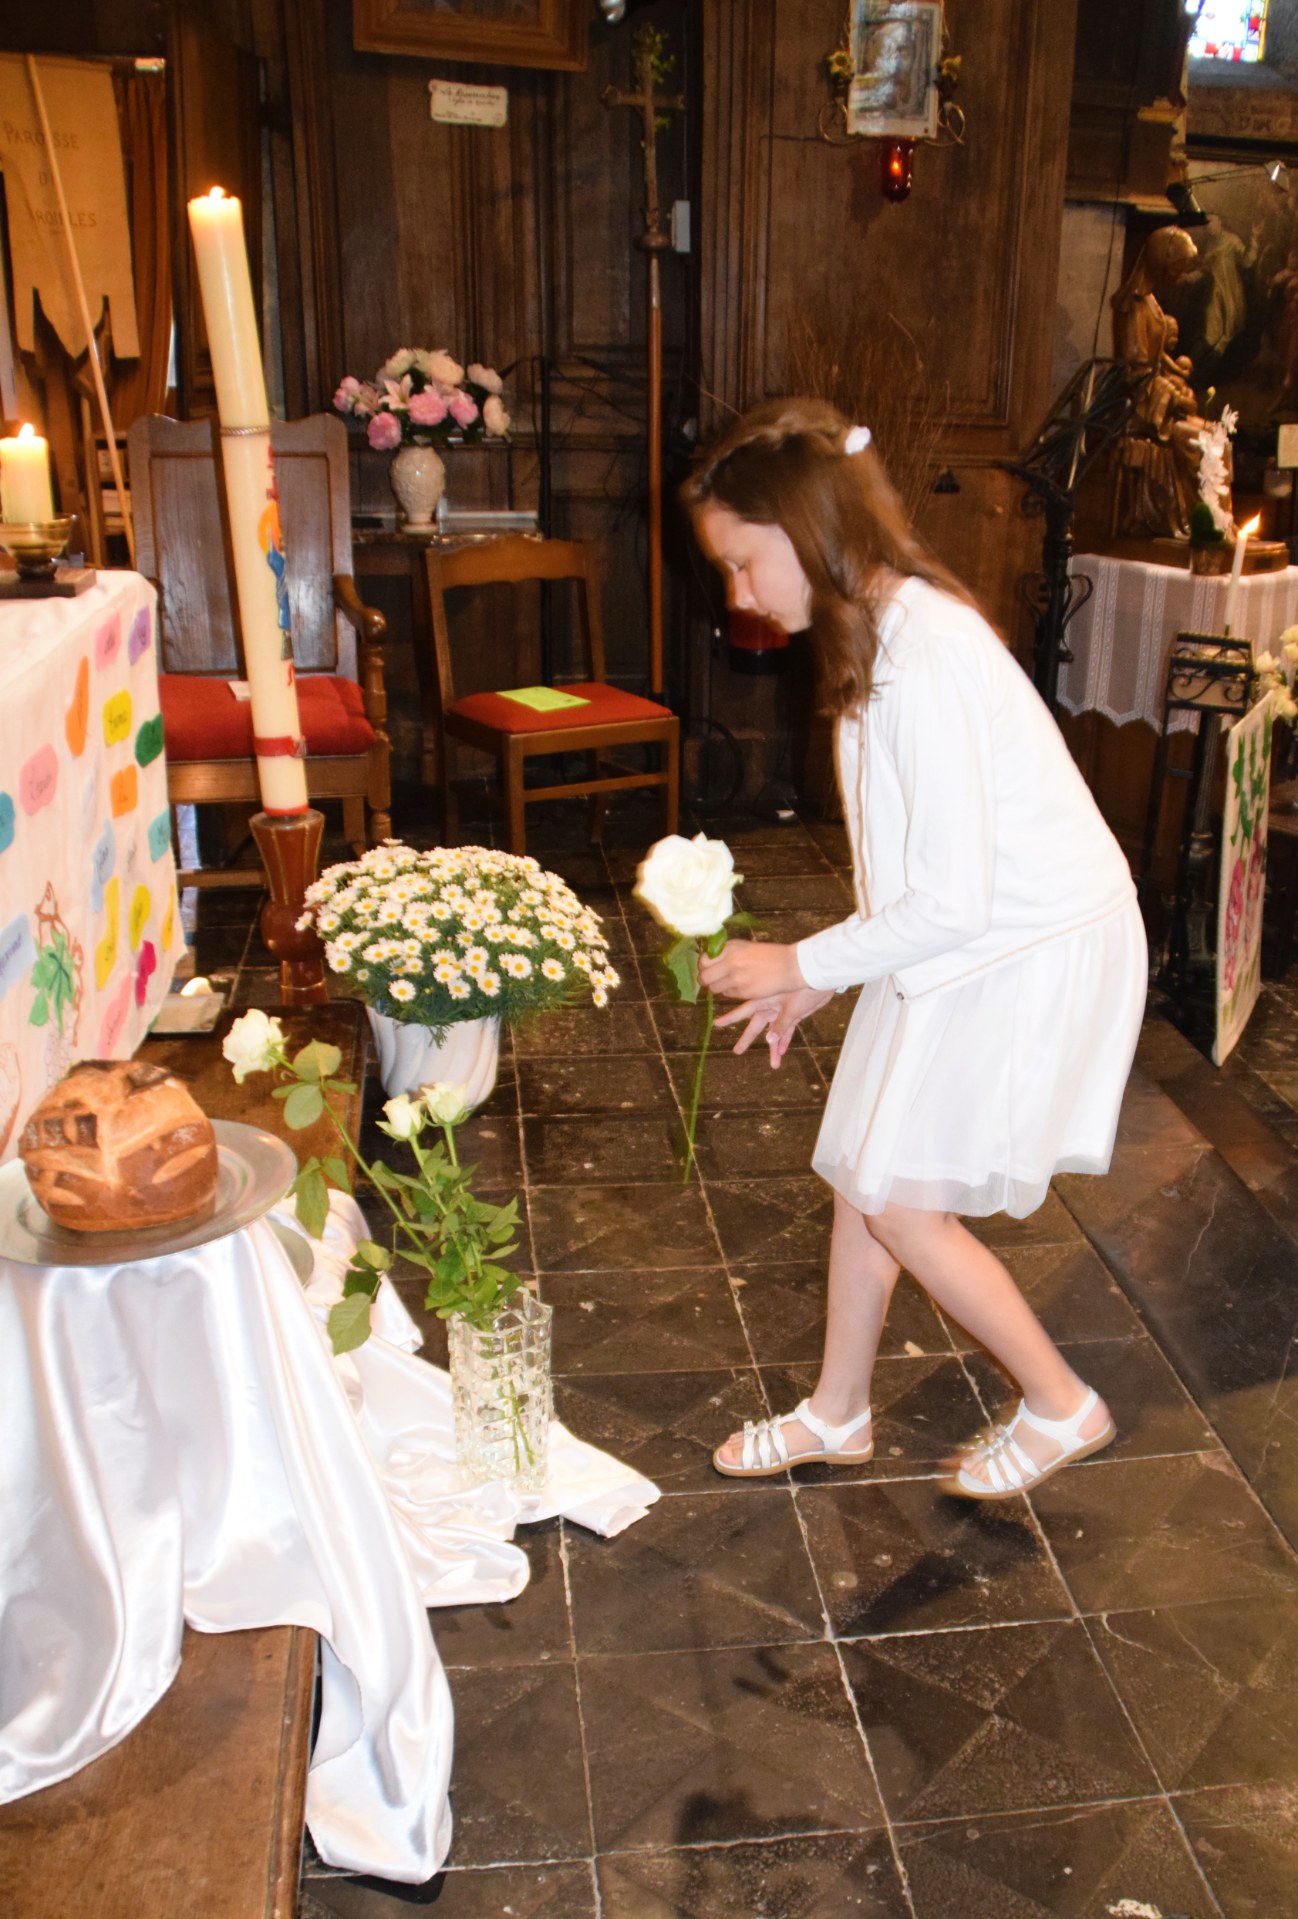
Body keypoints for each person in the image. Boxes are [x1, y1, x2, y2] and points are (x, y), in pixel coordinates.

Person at [683, 398, 1147, 1498]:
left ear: (803, 531)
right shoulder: (875, 630)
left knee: (897, 1192)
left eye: (744, 564)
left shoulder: (921, 648)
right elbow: (907, 863)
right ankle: (837, 1411)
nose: (737, 595)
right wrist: (830, 975)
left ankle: (1057, 1401)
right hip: (961, 931)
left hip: (1027, 941)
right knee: (863, 1163)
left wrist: (802, 962)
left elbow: (953, 894)